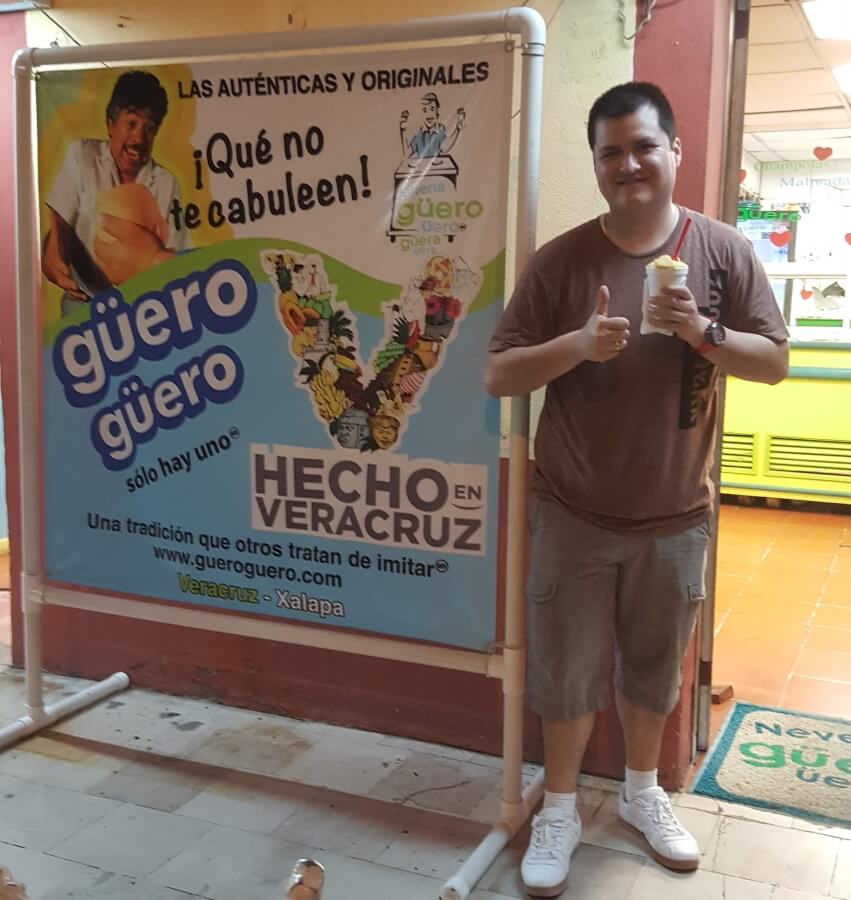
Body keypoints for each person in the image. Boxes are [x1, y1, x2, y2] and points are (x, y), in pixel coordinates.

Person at [485, 82, 788, 897]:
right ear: (595, 165)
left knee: (653, 671)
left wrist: (703, 331)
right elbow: (495, 372)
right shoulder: (562, 260)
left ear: (673, 152)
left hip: (676, 513)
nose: (627, 165)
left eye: (642, 147)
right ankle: (557, 808)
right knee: (565, 670)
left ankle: (642, 794)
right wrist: (577, 344)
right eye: (610, 153)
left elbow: (773, 361)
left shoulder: (723, 253)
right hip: (572, 509)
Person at [42, 70, 183, 316]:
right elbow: (59, 226)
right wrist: (53, 256)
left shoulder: (165, 183)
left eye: (149, 128)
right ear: (110, 124)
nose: (139, 138)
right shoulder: (81, 156)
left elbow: (175, 261)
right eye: (131, 123)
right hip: (83, 304)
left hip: (142, 312)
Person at [399, 92, 465, 159]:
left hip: (437, 166)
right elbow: (408, 152)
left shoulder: (440, 129)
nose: (429, 114)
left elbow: (444, 148)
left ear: (437, 111)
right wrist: (403, 131)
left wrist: (457, 129)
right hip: (420, 167)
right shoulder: (419, 133)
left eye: (432, 109)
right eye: (425, 110)